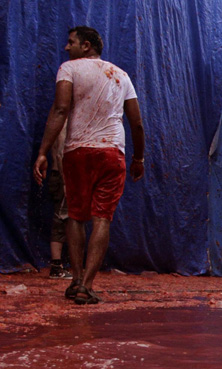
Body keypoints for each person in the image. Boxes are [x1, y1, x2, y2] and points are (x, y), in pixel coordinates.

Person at [33, 26, 145, 305]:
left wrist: (43, 152)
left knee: (76, 216)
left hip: (78, 152)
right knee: (102, 219)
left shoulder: (69, 69)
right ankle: (87, 284)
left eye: (70, 42)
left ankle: (75, 279)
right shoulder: (122, 75)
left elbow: (60, 109)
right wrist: (138, 158)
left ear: (85, 45)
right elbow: (137, 123)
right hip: (112, 154)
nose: (65, 47)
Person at [46, 125, 72, 279]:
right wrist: (65, 182)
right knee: (62, 218)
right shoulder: (62, 123)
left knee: (65, 218)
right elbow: (60, 154)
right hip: (62, 175)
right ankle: (56, 266)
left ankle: (60, 264)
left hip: (60, 175)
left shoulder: (56, 124)